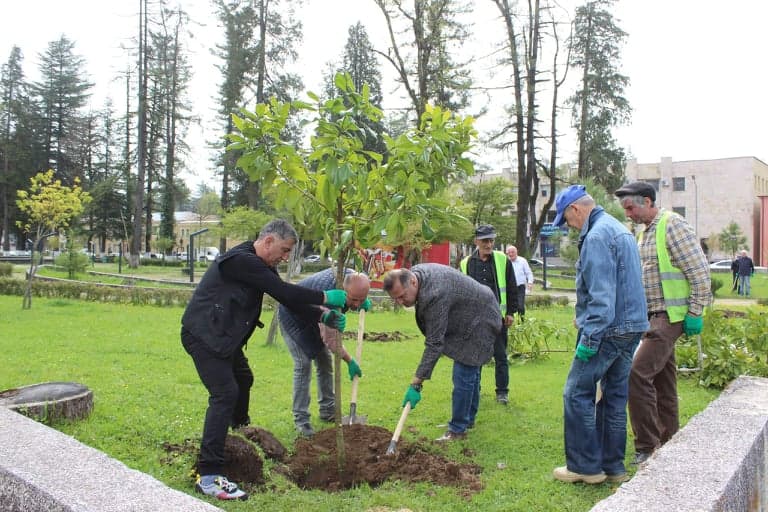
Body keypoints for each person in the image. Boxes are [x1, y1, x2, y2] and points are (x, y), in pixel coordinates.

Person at [180, 219, 349, 501]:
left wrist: (322, 315)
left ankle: (238, 431)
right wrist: (325, 296)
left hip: (223, 338)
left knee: (244, 379)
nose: (285, 258)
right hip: (204, 336)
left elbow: (287, 299)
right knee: (224, 394)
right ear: (268, 241)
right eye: (284, 250)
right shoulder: (242, 261)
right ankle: (208, 475)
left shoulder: (260, 266)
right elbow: (285, 292)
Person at [549, 185, 649, 485]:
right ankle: (613, 467)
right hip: (632, 328)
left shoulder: (595, 237)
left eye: (566, 219)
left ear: (576, 209)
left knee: (575, 392)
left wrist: (588, 342)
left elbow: (602, 299)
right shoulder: (619, 229)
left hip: (608, 330)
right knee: (615, 397)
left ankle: (585, 467)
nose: (568, 226)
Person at [615, 181, 711, 466]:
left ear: (647, 201)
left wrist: (695, 312)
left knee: (637, 375)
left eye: (631, 207)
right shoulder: (645, 233)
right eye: (625, 210)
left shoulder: (672, 225)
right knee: (663, 380)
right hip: (653, 316)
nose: (628, 214)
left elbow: (700, 271)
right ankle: (670, 440)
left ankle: (648, 446)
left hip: (670, 317)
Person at [383, 264, 501, 441]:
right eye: (395, 299)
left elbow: (434, 343)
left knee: (464, 374)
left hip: (481, 319)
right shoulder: (417, 274)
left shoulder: (434, 294)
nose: (400, 302)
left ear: (413, 281)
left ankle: (457, 430)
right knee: (470, 373)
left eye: (402, 296)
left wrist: (416, 383)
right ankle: (466, 420)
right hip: (471, 313)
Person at [278, 269, 371, 437]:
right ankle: (302, 421)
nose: (357, 304)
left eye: (361, 300)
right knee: (303, 364)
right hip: (293, 318)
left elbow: (357, 290)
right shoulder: (330, 297)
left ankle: (328, 410)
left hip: (317, 318)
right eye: (354, 300)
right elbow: (331, 341)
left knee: (324, 361)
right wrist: (350, 361)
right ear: (344, 290)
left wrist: (361, 301)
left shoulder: (352, 276)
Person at [460, 225, 518, 404]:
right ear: (476, 241)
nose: (489, 244)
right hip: (475, 319)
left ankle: (502, 392)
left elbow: (511, 286)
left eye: (491, 240)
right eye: (485, 240)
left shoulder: (502, 260)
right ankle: (474, 388)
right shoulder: (466, 263)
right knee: (475, 355)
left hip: (498, 318)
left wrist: (510, 312)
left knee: (500, 356)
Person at [505, 245, 534, 321]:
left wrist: (530, 282)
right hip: (509, 288)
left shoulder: (522, 261)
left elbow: (528, 273)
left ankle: (522, 321)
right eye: (509, 252)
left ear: (516, 252)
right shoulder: (505, 261)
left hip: (520, 287)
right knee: (508, 306)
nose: (511, 254)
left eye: (513, 252)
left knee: (520, 306)